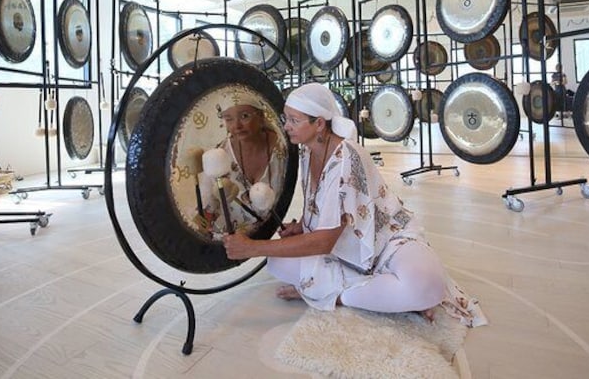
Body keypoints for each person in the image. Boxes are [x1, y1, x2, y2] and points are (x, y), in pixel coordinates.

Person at [223, 83, 486, 326]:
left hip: (387, 238)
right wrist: (303, 225)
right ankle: (380, 295)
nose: (286, 126)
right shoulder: (306, 151)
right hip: (342, 248)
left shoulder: (347, 158)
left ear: (319, 124)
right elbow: (324, 203)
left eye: (293, 120)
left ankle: (330, 292)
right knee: (276, 263)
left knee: (428, 285)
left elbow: (324, 241)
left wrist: (252, 247)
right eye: (286, 118)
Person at [196, 90, 287, 236]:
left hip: (273, 233)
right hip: (231, 239)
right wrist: (202, 229)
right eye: (229, 119)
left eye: (244, 116)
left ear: (261, 117)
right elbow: (207, 206)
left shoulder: (283, 150)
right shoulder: (219, 154)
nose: (237, 126)